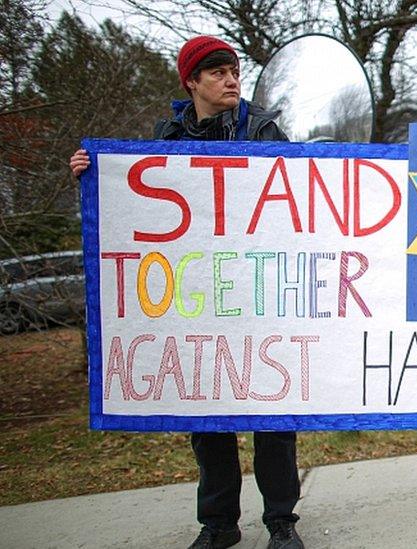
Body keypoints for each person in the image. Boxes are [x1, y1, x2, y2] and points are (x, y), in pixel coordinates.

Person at [70, 36, 303, 549]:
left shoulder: (265, 131)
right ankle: (219, 526)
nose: (231, 79)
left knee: (274, 416)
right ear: (192, 82)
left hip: (258, 295)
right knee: (208, 417)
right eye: (217, 72)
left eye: (234, 70)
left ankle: (281, 523)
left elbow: (302, 200)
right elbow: (134, 212)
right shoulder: (165, 138)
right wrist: (93, 179)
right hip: (195, 298)